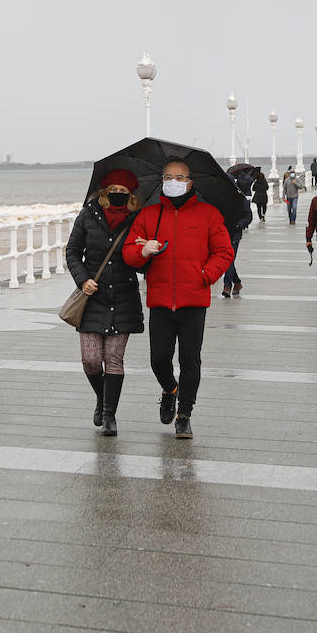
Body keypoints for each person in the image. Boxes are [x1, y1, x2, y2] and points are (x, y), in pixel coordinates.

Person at [123, 160, 234, 439]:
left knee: (190, 360)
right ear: (162, 180)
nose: (173, 181)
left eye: (179, 177)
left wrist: (206, 275)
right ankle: (170, 388)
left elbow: (224, 251)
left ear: (190, 182)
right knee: (159, 359)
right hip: (160, 300)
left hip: (194, 300)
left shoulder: (208, 214)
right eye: (168, 177)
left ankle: (184, 414)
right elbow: (128, 251)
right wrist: (144, 252)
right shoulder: (149, 215)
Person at [65, 169, 144, 436]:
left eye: (124, 192)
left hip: (123, 298)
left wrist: (145, 252)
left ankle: (110, 414)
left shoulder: (138, 220)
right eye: (114, 190)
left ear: (131, 196)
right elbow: (73, 251)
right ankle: (102, 398)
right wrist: (82, 279)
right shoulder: (88, 215)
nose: (118, 195)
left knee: (113, 359)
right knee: (90, 360)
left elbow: (142, 265)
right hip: (92, 298)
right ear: (104, 192)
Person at [222, 174, 252, 298]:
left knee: (228, 260)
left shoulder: (241, 198)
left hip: (234, 233)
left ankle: (227, 286)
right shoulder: (220, 198)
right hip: (222, 233)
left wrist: (239, 225)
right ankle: (237, 282)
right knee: (227, 260)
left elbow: (248, 216)